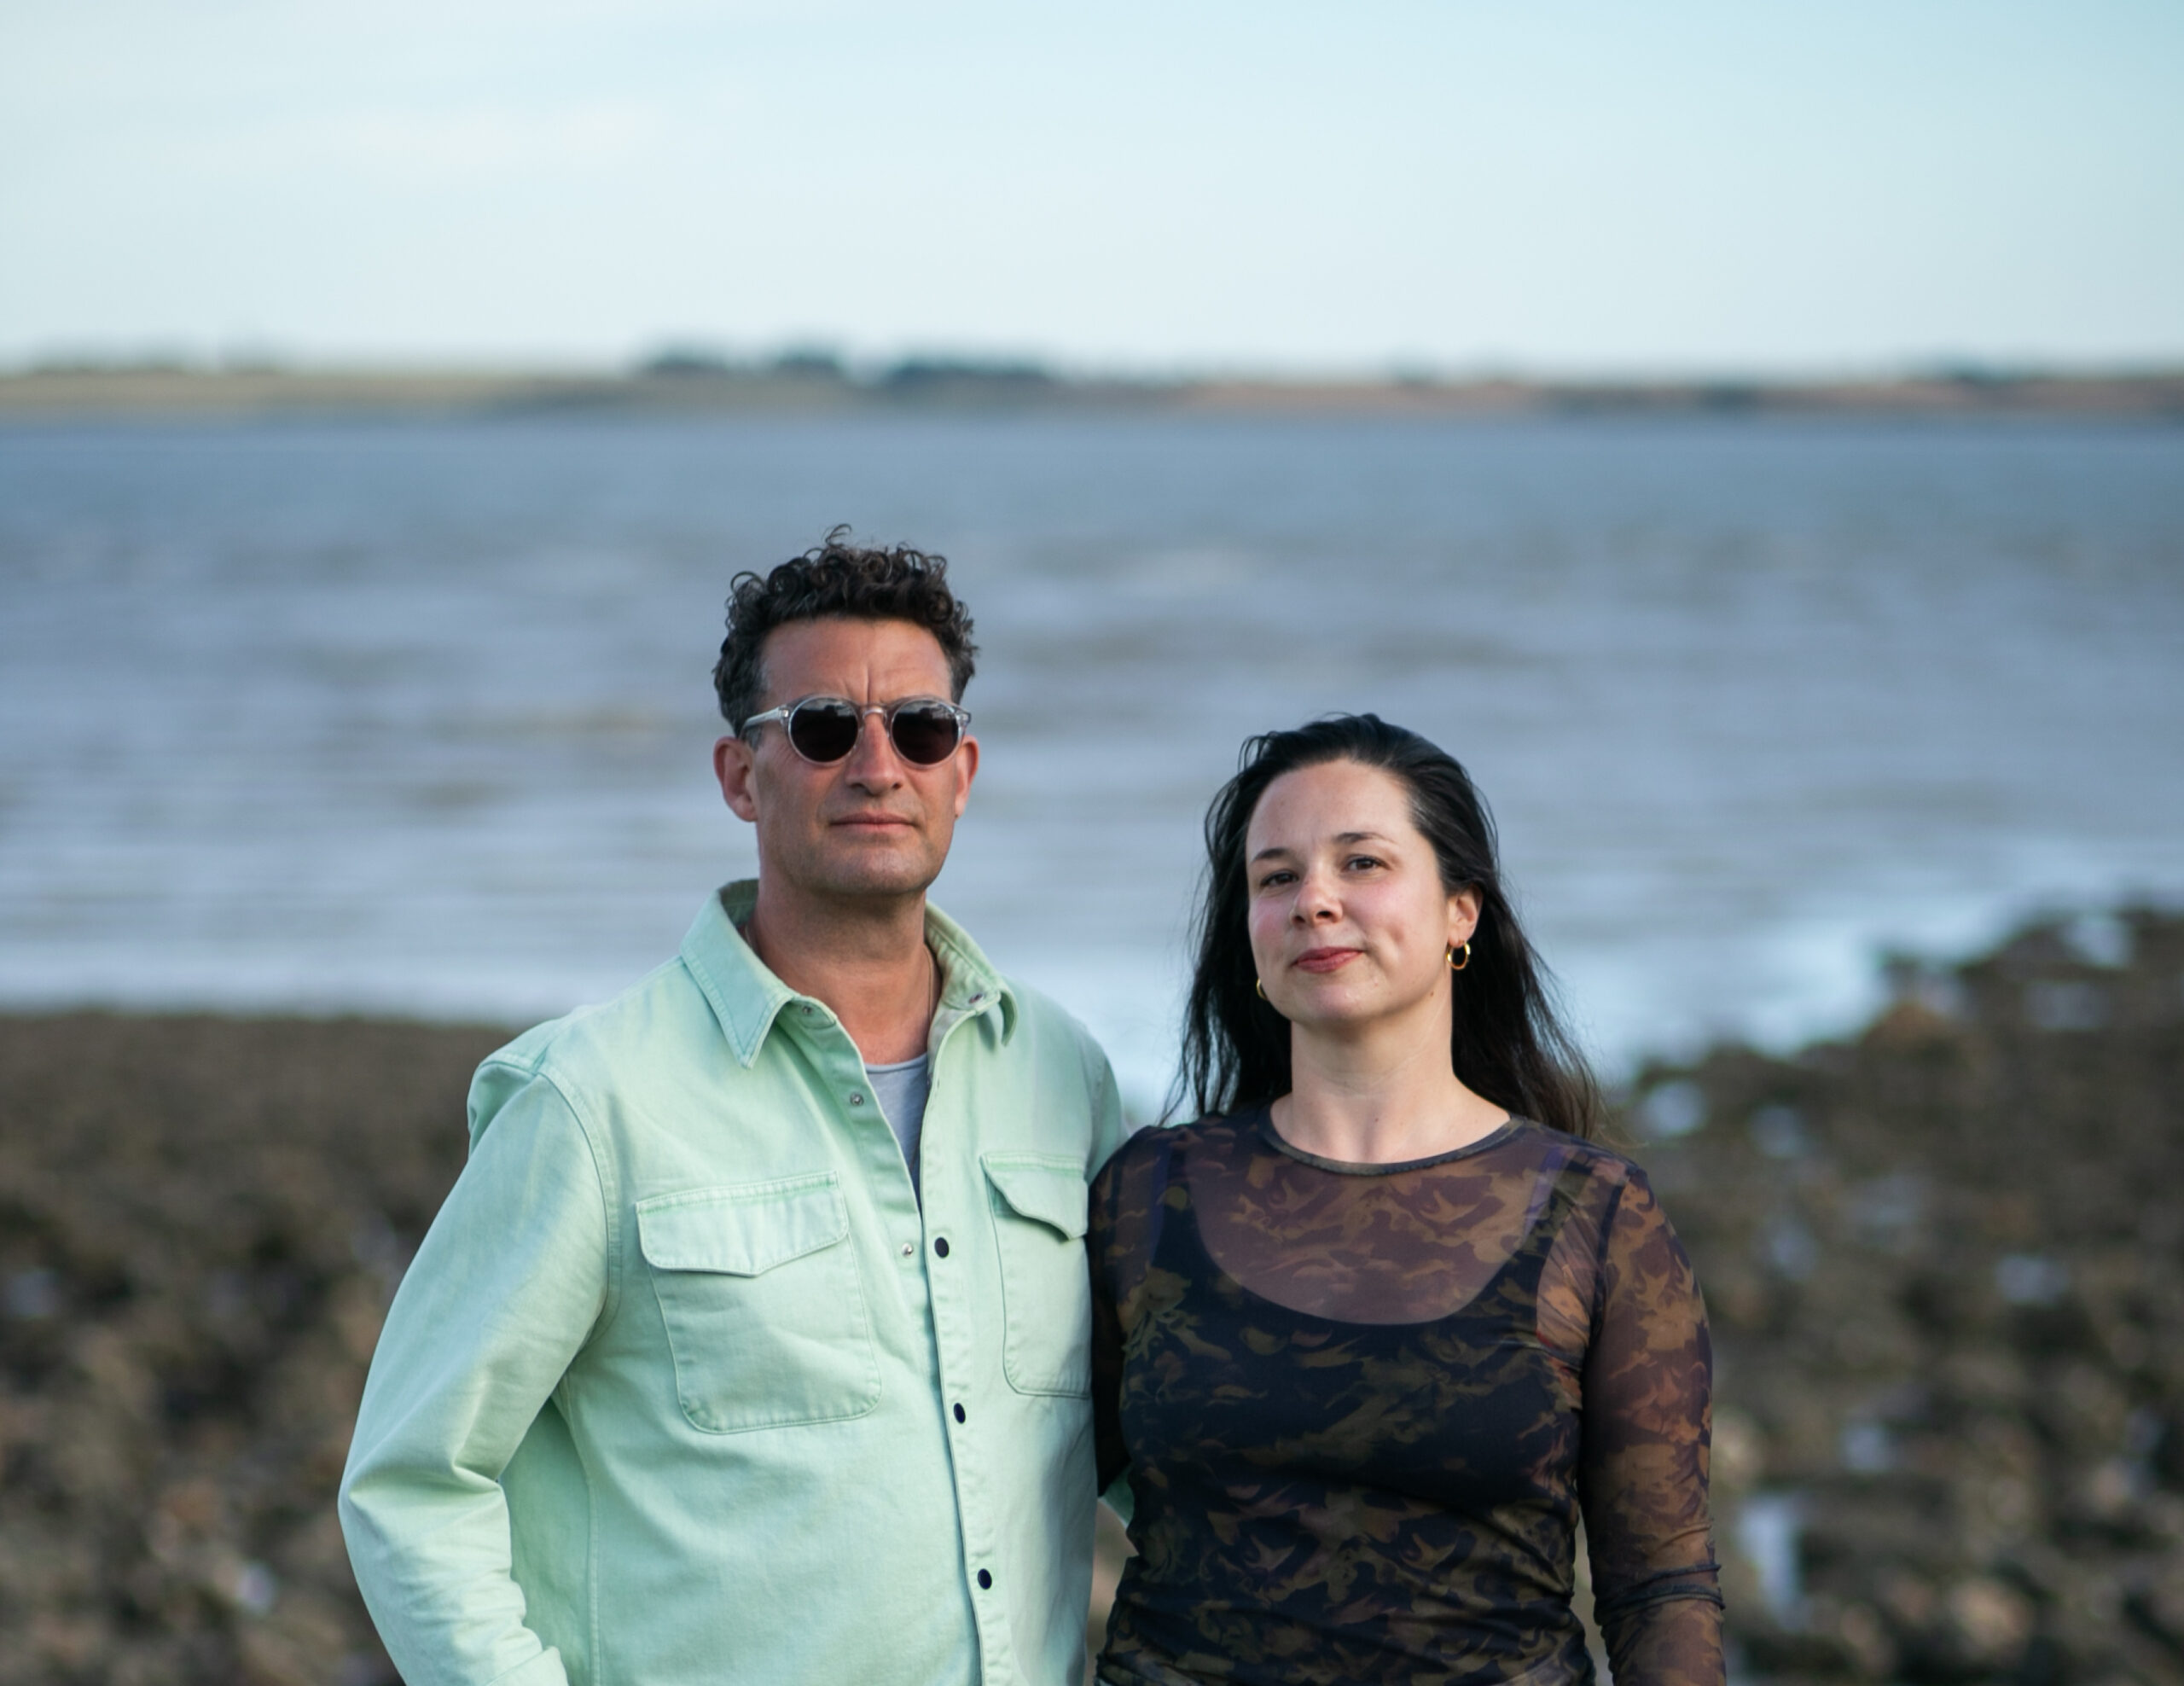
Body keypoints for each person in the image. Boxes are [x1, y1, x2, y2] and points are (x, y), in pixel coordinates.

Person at [341, 532, 1126, 1686]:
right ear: (738, 774)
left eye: (917, 728)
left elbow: (1156, 1436)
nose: (877, 766)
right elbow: (413, 1480)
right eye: (822, 727)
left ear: (961, 772)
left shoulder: (1063, 1075)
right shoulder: (591, 1099)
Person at [1088, 714, 1722, 1686]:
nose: (1315, 900)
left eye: (1363, 863)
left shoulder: (1597, 1216)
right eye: (1276, 878)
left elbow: (1661, 1590)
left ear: (1461, 911)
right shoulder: (1148, 1195)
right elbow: (1011, 1502)